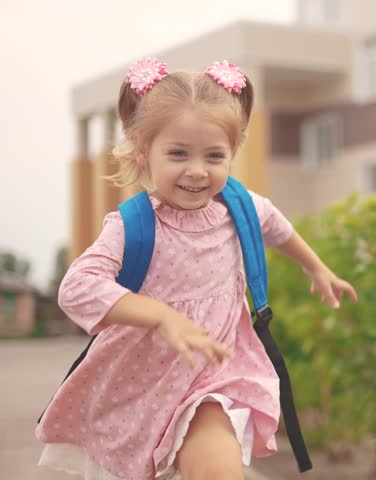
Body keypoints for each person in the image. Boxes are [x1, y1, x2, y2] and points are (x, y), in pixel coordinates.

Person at [35, 57, 357, 480]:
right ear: (142, 149)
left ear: (233, 152)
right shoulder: (132, 227)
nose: (197, 170)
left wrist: (317, 269)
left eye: (214, 155)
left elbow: (276, 226)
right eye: (178, 153)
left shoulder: (239, 207)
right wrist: (161, 315)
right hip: (140, 389)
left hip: (217, 375)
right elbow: (76, 287)